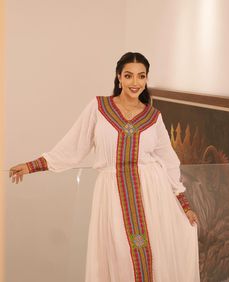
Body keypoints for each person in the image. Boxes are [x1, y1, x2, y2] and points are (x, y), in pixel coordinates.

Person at [9, 52, 200, 282]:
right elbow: (73, 146)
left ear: (147, 79)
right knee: (118, 255)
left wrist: (183, 204)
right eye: (128, 76)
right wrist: (32, 166)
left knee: (152, 254)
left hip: (151, 195)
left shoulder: (153, 116)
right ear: (119, 77)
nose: (135, 82)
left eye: (141, 76)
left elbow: (169, 161)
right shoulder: (99, 107)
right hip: (111, 194)